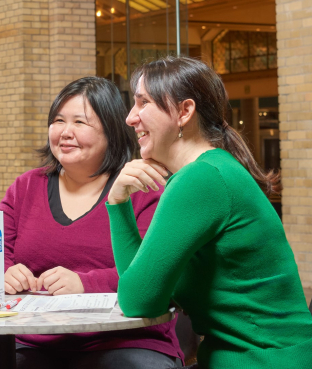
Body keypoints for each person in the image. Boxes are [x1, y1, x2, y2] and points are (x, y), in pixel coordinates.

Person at [106, 56, 312, 368]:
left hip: (262, 360)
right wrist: (119, 203)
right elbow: (146, 289)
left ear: (184, 111)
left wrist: (118, 206)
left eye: (143, 102)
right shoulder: (211, 169)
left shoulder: (200, 179)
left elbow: (136, 300)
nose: (130, 118)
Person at [0, 76, 183, 369]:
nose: (65, 132)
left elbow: (154, 275)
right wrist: (5, 272)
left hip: (126, 340)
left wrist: (85, 282)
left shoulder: (143, 188)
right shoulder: (25, 187)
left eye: (80, 123)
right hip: (36, 342)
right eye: (58, 120)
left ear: (110, 131)